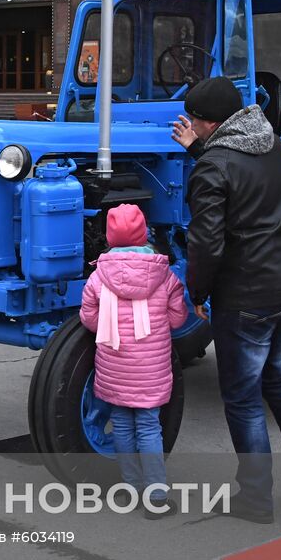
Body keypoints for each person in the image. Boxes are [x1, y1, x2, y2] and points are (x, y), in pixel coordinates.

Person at [171, 76, 281, 523]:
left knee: (241, 397)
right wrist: (199, 151)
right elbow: (244, 180)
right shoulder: (272, 143)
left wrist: (197, 292)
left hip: (248, 294)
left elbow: (206, 242)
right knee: (279, 376)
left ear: (205, 121)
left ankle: (256, 497)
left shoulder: (213, 166)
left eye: (194, 122)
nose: (192, 129)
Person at [79, 205, 188, 518]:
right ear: (144, 234)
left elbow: (89, 318)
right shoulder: (163, 274)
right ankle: (155, 496)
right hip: (150, 369)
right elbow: (178, 318)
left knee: (123, 426)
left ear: (111, 238)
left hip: (114, 366)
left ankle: (130, 488)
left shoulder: (99, 275)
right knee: (149, 428)